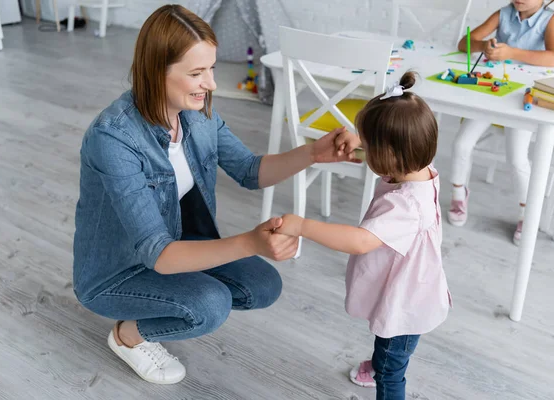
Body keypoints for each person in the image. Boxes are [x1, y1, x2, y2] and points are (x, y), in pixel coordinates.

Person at [72, 4, 361, 385]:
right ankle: (128, 336)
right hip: (118, 270)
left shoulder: (196, 112)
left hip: (175, 241)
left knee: (263, 285)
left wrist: (312, 153)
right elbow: (156, 253)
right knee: (210, 304)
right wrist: (251, 242)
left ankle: (167, 304)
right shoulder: (113, 139)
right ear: (156, 71)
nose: (211, 84)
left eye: (210, 68)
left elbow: (249, 170)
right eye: (196, 73)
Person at [276, 71, 452, 400]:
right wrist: (361, 144)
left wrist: (302, 226)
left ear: (390, 156)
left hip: (406, 302)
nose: (364, 151)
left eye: (368, 146)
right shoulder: (420, 169)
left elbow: (359, 240)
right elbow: (394, 154)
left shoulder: (405, 206)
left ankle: (381, 369)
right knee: (388, 346)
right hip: (411, 284)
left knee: (392, 368)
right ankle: (380, 360)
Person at [448, 0, 554, 245]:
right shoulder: (503, 14)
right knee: (461, 144)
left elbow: (553, 58)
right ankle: (459, 195)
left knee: (516, 158)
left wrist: (511, 52)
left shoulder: (550, 20)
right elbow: (463, 43)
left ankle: (527, 213)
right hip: (492, 93)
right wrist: (486, 45)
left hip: (522, 98)